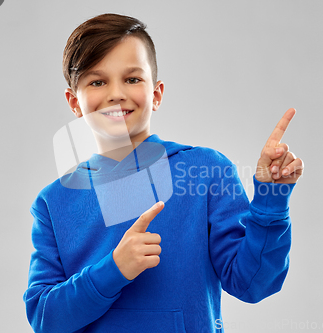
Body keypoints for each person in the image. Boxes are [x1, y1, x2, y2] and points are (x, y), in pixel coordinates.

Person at [23, 13, 304, 333]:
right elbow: (46, 319)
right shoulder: (53, 202)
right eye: (97, 81)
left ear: (156, 93)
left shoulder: (206, 171)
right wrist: (114, 270)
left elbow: (253, 283)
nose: (116, 93)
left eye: (132, 79)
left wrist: (271, 199)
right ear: (75, 102)